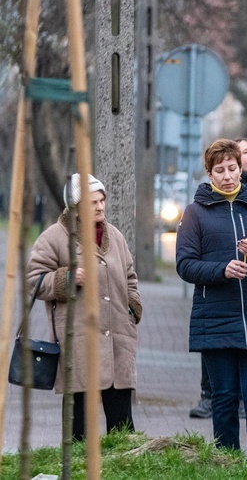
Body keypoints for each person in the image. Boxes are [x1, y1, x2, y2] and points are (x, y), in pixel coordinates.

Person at [176, 138, 247, 456]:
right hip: (215, 319)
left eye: (232, 168)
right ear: (209, 174)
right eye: (219, 170)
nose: (227, 176)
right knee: (224, 398)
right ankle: (228, 463)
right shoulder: (195, 213)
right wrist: (222, 270)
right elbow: (185, 264)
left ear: (240, 169)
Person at [27, 173, 142, 441]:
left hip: (118, 343)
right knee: (80, 428)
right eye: (92, 202)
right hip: (79, 343)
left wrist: (132, 307)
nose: (100, 206)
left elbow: (130, 277)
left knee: (123, 428)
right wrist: (66, 277)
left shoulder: (115, 235)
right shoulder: (55, 237)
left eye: (102, 200)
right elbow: (33, 281)